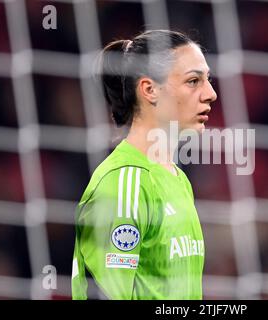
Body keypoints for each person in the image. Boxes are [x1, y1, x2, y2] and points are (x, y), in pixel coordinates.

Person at [71, 29, 217, 300]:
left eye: (208, 79)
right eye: (194, 81)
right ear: (150, 90)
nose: (210, 94)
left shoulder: (177, 178)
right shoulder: (123, 183)